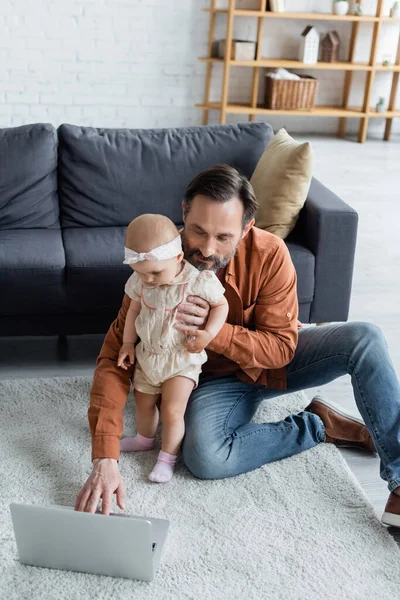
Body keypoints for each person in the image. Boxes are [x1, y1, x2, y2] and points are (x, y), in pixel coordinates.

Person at [75, 165, 400, 528]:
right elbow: (113, 357)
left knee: (366, 338)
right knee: (206, 458)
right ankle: (317, 425)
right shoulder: (160, 256)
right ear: (184, 212)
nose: (207, 249)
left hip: (272, 360)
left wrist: (217, 332)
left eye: (224, 237)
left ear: (246, 228)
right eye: (198, 231)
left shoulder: (270, 254)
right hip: (208, 380)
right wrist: (105, 456)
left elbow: (281, 349)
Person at [116, 214, 228, 482]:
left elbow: (221, 306)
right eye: (141, 272)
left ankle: (167, 458)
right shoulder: (140, 280)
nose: (149, 280)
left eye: (155, 273)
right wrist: (128, 343)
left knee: (172, 409)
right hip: (149, 355)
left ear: (178, 258)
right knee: (142, 402)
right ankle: (144, 439)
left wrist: (208, 334)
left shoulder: (198, 281)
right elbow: (133, 310)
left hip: (181, 358)